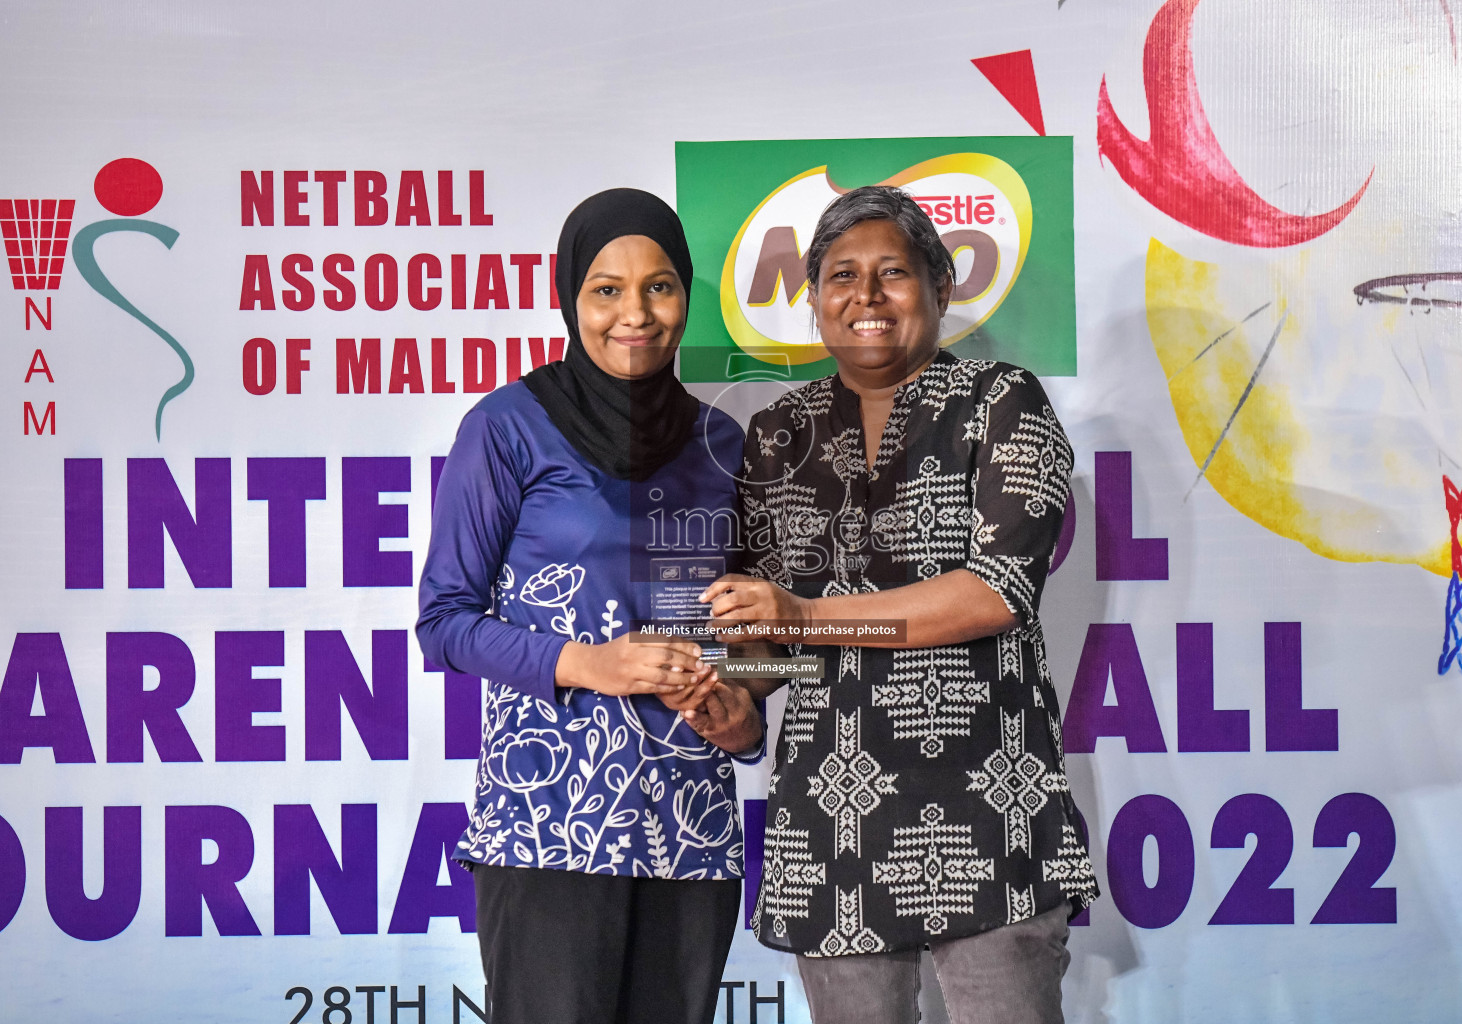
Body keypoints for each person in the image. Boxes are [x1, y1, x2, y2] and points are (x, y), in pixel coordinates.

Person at [702, 185, 1099, 1024]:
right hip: (830, 828)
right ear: (813, 302)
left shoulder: (1003, 402)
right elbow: (765, 637)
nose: (866, 296)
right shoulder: (779, 434)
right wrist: (735, 700)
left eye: (893, 273)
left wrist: (807, 617)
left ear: (941, 288)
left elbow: (996, 592)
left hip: (989, 813)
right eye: (841, 275)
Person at [417, 187, 763, 1024]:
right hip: (548, 825)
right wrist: (590, 665)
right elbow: (445, 621)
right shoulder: (509, 427)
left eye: (659, 286)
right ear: (572, 296)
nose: (634, 313)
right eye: (607, 289)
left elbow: (752, 632)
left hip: (689, 822)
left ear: (686, 295)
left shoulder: (723, 443)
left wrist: (743, 717)